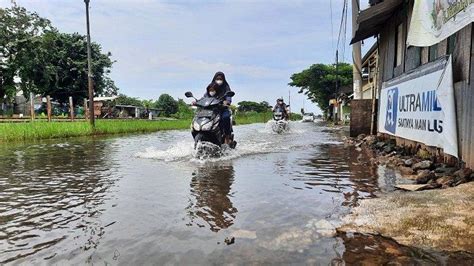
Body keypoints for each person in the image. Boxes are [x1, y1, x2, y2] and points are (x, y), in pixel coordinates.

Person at [207, 71, 233, 144]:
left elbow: (229, 97)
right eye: (217, 78)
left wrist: (227, 102)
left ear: (223, 79)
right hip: (211, 109)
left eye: (220, 79)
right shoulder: (211, 86)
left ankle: (227, 137)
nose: (219, 80)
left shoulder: (226, 87)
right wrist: (197, 101)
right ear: (214, 79)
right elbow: (205, 96)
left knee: (225, 118)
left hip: (222, 109)